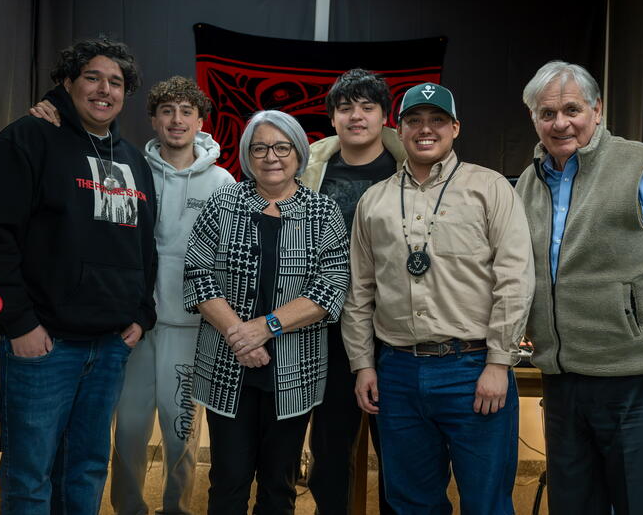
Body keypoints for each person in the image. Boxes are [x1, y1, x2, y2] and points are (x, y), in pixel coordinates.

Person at [515, 60, 643, 515]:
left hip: (638, 381)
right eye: (546, 113)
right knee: (573, 504)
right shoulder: (528, 183)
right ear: (533, 118)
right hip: (563, 382)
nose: (560, 123)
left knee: (639, 504)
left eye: (571, 109)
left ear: (597, 109)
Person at [0, 38, 156, 514]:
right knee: (30, 478)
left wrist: (140, 314)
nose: (104, 89)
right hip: (43, 347)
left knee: (87, 468)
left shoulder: (133, 160)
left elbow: (143, 245)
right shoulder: (25, 140)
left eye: (116, 82)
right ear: (67, 83)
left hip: (110, 346)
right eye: (92, 77)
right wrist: (19, 324)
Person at [30, 76, 235, 514]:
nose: (176, 120)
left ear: (201, 121)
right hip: (134, 325)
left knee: (181, 429)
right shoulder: (128, 170)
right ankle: (129, 508)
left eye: (186, 112)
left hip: (193, 327)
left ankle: (175, 508)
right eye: (166, 111)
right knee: (129, 429)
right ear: (153, 119)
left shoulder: (224, 183)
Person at [342, 83, 534, 514]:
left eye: (436, 120)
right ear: (400, 128)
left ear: (455, 127)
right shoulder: (375, 201)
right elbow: (359, 292)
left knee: (486, 503)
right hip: (398, 375)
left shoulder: (490, 189)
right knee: (411, 503)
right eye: (414, 120)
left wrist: (500, 363)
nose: (425, 129)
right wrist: (363, 365)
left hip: (473, 370)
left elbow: (515, 279)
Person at [183, 110, 350, 514]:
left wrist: (265, 327)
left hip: (294, 369)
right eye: (260, 147)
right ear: (246, 154)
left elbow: (331, 288)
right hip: (229, 363)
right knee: (228, 481)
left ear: (298, 153)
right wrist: (240, 336)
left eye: (281, 146)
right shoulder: (224, 203)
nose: (271, 156)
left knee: (279, 485)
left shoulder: (322, 212)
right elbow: (197, 273)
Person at [301, 68, 405, 515]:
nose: (356, 116)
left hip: (396, 329)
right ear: (332, 118)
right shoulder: (309, 170)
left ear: (385, 117)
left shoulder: (411, 166)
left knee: (399, 450)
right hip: (326, 329)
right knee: (330, 449)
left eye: (367, 107)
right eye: (346, 108)